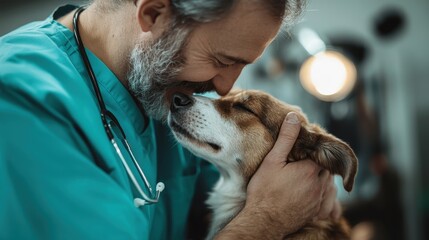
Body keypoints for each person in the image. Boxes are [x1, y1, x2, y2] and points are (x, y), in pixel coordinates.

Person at [0, 0, 340, 239]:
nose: (225, 88)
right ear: (154, 13)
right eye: (222, 60)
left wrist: (309, 183)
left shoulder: (158, 88)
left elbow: (258, 181)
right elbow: (266, 208)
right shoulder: (21, 99)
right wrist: (266, 222)